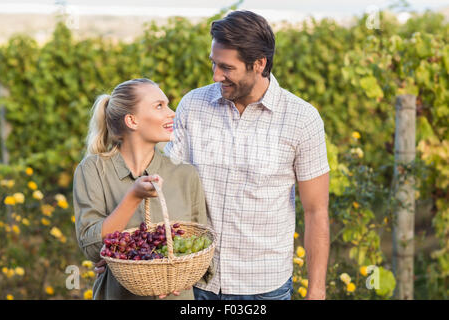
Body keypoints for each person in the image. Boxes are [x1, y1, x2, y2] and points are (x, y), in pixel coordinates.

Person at [164, 10, 330, 300]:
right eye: (214, 64)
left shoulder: (302, 119)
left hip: (265, 287)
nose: (217, 75)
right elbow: (166, 187)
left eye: (227, 68)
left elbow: (316, 212)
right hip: (198, 281)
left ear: (259, 64)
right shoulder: (192, 105)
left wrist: (316, 291)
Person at [73, 78, 211, 300]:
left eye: (168, 104)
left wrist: (183, 277)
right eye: (159, 106)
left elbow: (200, 248)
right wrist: (133, 197)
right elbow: (91, 247)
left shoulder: (186, 175)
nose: (172, 113)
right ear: (132, 120)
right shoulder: (93, 170)